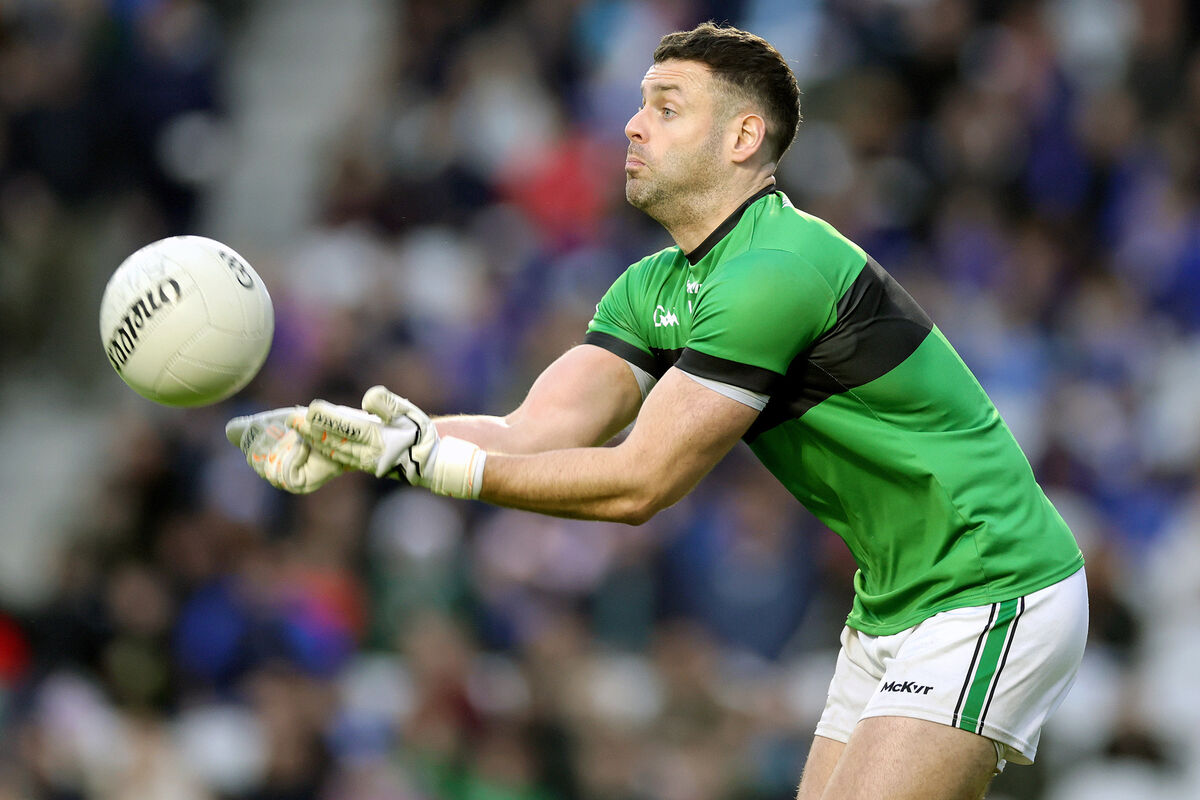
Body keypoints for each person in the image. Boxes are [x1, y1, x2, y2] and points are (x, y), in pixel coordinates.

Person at [227, 22, 1087, 800]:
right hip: (896, 599)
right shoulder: (654, 286)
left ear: (744, 137)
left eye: (667, 108)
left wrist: (435, 467)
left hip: (992, 581)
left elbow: (642, 483)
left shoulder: (776, 270)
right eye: (640, 104)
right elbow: (539, 433)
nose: (633, 126)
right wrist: (380, 444)